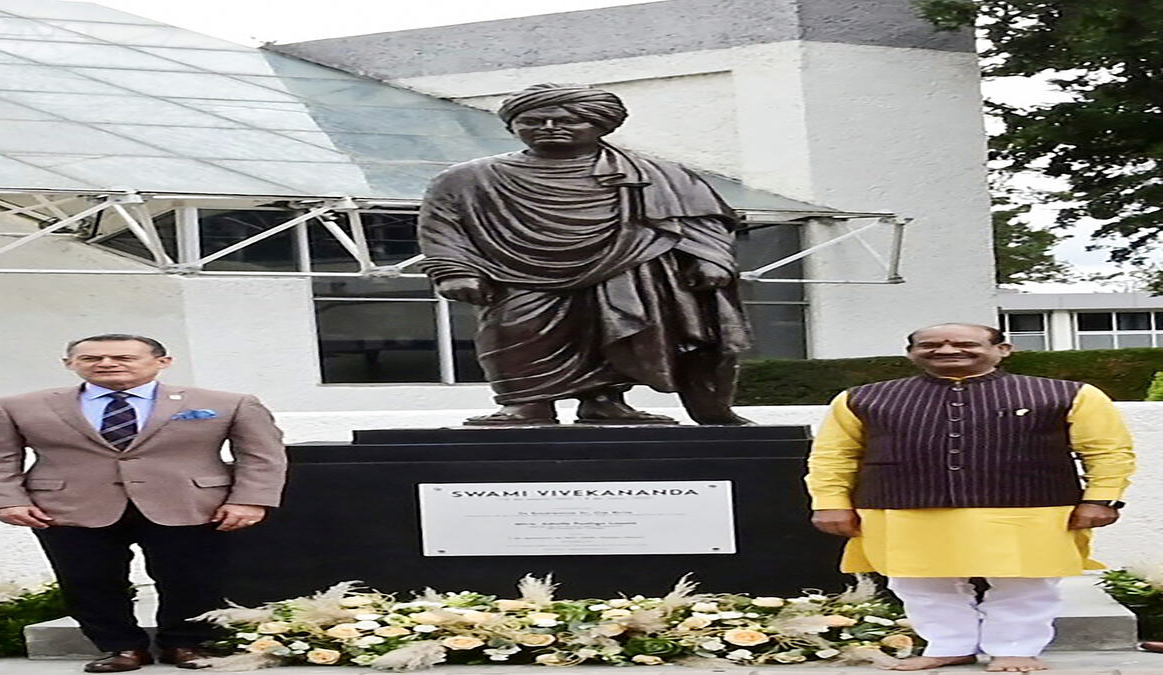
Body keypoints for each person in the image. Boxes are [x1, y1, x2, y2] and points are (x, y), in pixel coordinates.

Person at [805, 323, 1135, 672]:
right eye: (930, 345)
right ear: (911, 353)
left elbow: (1109, 451)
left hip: (1030, 505)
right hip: (902, 503)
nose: (946, 350)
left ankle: (1015, 649)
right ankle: (949, 646)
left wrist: (1102, 498)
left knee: (1026, 582)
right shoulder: (862, 399)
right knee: (920, 583)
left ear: (1002, 350)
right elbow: (834, 456)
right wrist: (830, 502)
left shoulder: (1068, 395)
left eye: (964, 343)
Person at [418, 83, 753, 426]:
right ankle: (526, 404)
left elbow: (700, 220)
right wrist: (454, 270)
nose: (549, 128)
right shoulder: (466, 178)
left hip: (622, 264)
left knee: (616, 327)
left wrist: (710, 259)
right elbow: (442, 224)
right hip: (514, 273)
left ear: (601, 124)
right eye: (533, 121)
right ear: (512, 125)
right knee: (515, 331)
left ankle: (605, 400)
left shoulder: (657, 176)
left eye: (566, 120)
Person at [0, 334, 287, 673]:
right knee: (88, 581)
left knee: (192, 580)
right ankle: (120, 648)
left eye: (123, 357)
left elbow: (262, 456)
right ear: (69, 364)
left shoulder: (228, 403)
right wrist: (7, 502)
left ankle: (187, 644)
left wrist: (249, 500)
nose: (106, 364)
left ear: (163, 362)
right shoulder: (15, 407)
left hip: (193, 504)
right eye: (92, 358)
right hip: (67, 507)